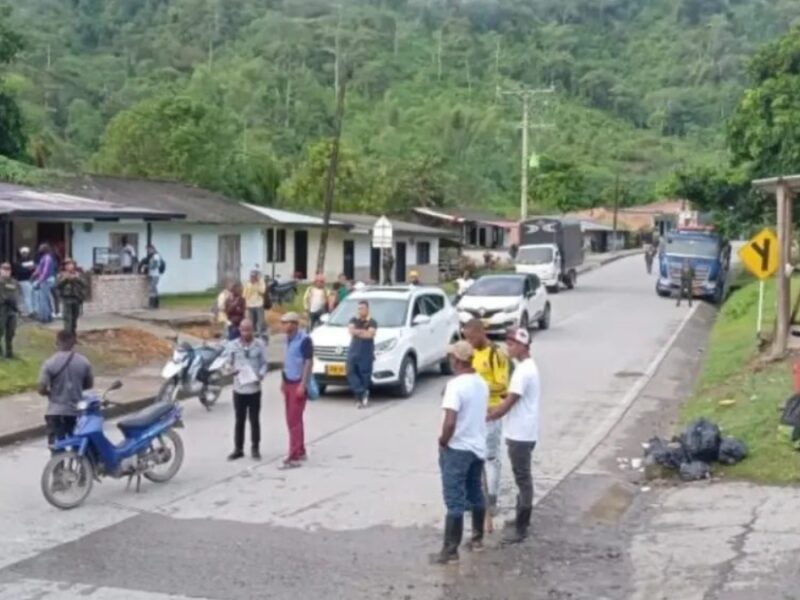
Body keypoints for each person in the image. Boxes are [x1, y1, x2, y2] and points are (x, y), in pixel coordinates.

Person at [434, 340, 489, 564]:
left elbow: (449, 422)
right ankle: (477, 539)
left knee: (454, 499)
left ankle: (450, 550)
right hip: (477, 447)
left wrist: (443, 441)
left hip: (458, 448)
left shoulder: (456, 386)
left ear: (457, 360)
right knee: (475, 490)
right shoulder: (481, 383)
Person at [488, 327, 540, 544]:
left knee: (523, 478)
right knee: (522, 477)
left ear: (522, 346)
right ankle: (521, 517)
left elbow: (507, 406)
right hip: (524, 430)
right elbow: (510, 396)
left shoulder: (523, 372)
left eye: (511, 345)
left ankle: (522, 525)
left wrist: (485, 415)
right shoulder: (526, 368)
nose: (508, 348)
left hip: (521, 433)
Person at [462, 318, 510, 516]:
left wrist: (480, 387)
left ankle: (491, 499)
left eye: (472, 337)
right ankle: (472, 497)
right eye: (466, 338)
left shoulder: (495, 354)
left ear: (482, 332)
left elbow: (503, 385)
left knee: (490, 457)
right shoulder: (470, 352)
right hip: (472, 414)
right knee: (471, 454)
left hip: (491, 412)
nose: (469, 341)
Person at [38, 330, 94, 449]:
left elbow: (41, 388)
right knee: (77, 446)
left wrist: (50, 393)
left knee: (56, 447)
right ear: (73, 342)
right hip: (75, 412)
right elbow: (89, 384)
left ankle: (57, 465)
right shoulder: (84, 362)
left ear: (57, 342)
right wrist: (76, 387)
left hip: (54, 412)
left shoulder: (49, 363)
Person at [223, 319, 268, 461]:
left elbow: (264, 364)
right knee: (239, 420)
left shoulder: (259, 345)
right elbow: (226, 364)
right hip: (239, 389)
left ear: (253, 330)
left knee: (254, 420)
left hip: (254, 389)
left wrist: (261, 374)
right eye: (243, 330)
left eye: (249, 330)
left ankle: (255, 447)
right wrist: (231, 370)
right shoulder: (233, 345)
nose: (246, 333)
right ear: (240, 331)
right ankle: (238, 449)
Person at [280, 312, 313, 469]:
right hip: (288, 382)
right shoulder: (287, 340)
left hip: (298, 383)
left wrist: (303, 384)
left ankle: (293, 456)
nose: (284, 326)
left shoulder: (304, 340)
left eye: (286, 323)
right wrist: (282, 380)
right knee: (293, 419)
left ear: (294, 324)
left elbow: (308, 362)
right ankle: (300, 449)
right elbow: (287, 361)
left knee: (294, 420)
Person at [347, 300, 377, 409]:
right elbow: (351, 331)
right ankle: (362, 391)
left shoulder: (372, 321)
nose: (360, 310)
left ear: (367, 309)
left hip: (366, 350)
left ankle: (359, 399)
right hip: (354, 349)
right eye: (359, 308)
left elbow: (370, 335)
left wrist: (358, 332)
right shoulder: (354, 319)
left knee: (364, 374)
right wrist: (362, 332)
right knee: (350, 371)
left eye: (363, 308)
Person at [56, 259, 87, 335]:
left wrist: (77, 278)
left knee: (74, 318)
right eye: (67, 265)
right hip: (67, 299)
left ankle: (73, 335)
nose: (69, 266)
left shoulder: (78, 274)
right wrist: (66, 279)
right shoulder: (61, 275)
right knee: (67, 319)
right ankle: (67, 336)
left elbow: (85, 284)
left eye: (70, 264)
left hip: (76, 298)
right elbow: (58, 285)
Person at [0, 262, 20, 359]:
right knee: (0, 330)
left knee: (11, 331)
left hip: (12, 309)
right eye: (4, 269)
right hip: (1, 309)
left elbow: (16, 294)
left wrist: (17, 307)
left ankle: (9, 352)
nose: (6, 271)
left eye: (8, 270)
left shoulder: (14, 282)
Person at [32, 244, 56, 323]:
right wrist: (34, 275)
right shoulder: (45, 258)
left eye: (41, 249)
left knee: (43, 299)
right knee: (46, 298)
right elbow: (39, 269)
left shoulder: (46, 258)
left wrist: (39, 280)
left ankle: (44, 317)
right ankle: (48, 316)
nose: (39, 250)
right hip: (48, 280)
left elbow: (45, 271)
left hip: (46, 280)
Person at [243, 268, 267, 340]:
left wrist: (256, 284)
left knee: (260, 321)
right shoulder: (247, 283)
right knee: (251, 321)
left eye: (253, 276)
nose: (252, 278)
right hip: (250, 305)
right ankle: (253, 336)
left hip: (259, 304)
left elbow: (262, 291)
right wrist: (245, 304)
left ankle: (261, 335)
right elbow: (244, 294)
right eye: (251, 276)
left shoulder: (261, 282)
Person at [13, 247, 35, 317]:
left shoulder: (29, 261)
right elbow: (20, 271)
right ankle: (30, 311)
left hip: (29, 280)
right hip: (24, 280)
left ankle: (31, 310)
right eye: (24, 253)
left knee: (30, 296)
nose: (25, 254)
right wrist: (29, 269)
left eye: (26, 253)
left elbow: (33, 269)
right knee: (27, 296)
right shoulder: (18, 262)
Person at [142, 245, 164, 309]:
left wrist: (147, 266)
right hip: (152, 274)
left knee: (152, 289)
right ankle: (156, 305)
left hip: (155, 275)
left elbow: (154, 265)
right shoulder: (153, 256)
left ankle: (152, 305)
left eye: (148, 250)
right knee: (154, 289)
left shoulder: (156, 256)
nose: (148, 251)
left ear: (152, 249)